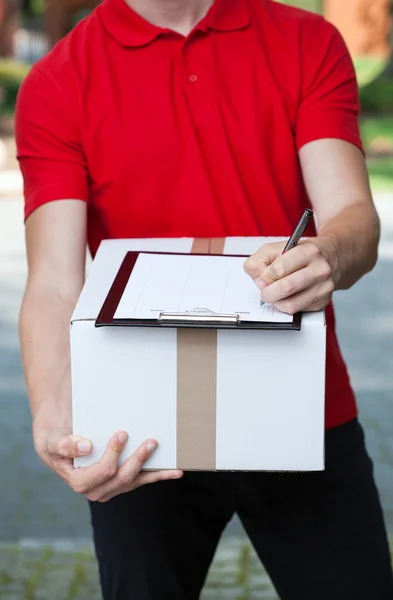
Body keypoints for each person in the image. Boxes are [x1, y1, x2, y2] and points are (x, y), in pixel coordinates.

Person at [15, 0, 393, 598]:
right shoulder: (60, 78)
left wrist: (330, 255)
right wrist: (51, 411)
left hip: (304, 409)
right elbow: (56, 282)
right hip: (138, 430)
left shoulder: (304, 40)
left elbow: (351, 217)